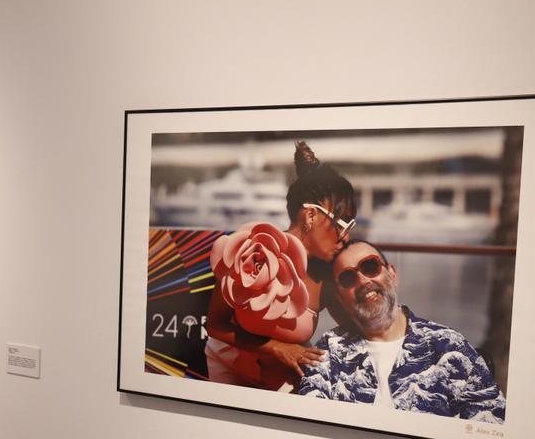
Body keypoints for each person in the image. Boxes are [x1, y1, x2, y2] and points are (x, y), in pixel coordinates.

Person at [204, 141, 358, 390]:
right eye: (343, 224)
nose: (347, 236)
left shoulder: (328, 275)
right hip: (229, 366)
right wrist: (277, 347)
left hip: (285, 376)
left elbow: (356, 328)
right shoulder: (251, 250)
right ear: (310, 215)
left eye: (351, 226)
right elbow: (215, 325)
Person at [296, 240, 506, 422]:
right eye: (348, 278)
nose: (362, 281)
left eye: (370, 266)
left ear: (392, 274)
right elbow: (311, 420)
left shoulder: (447, 345)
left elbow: (490, 424)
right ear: (341, 298)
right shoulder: (330, 350)